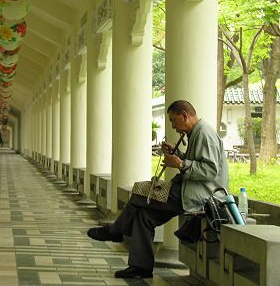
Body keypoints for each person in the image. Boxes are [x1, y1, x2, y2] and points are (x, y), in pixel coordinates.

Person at [87, 100, 229, 279]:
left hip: (198, 195)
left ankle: (116, 231)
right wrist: (177, 155)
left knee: (140, 190)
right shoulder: (195, 133)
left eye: (173, 120)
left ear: (184, 115)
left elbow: (210, 170)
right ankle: (140, 267)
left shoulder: (204, 134)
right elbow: (197, 162)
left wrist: (180, 164)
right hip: (186, 189)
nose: (173, 126)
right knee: (143, 217)